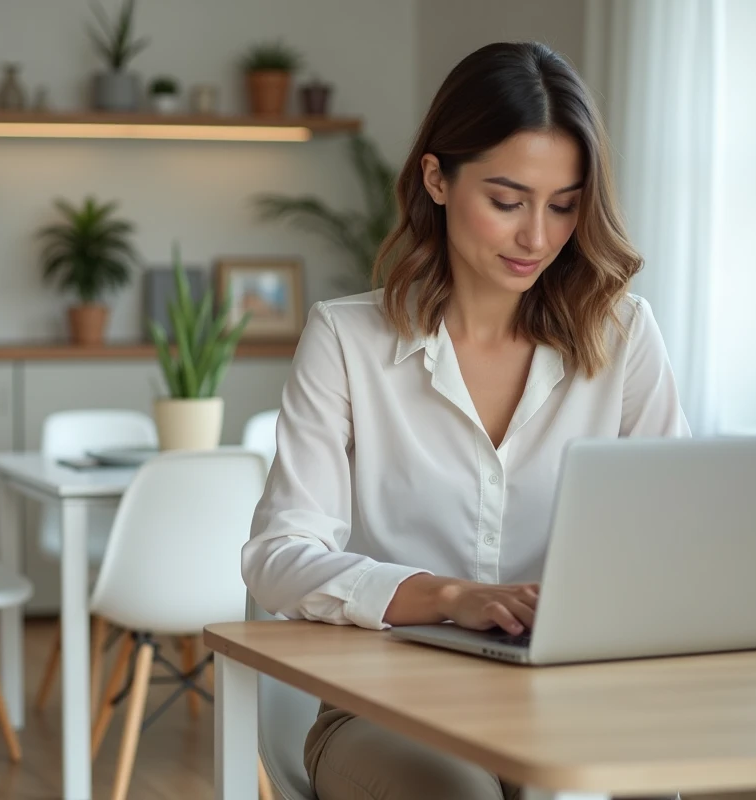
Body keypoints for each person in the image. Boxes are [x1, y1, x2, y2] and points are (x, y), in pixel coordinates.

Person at [240, 40, 691, 800]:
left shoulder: (624, 336)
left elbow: (672, 535)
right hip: (385, 711)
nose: (538, 238)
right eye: (508, 201)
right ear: (437, 179)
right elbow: (278, 558)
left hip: (564, 701)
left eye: (564, 204)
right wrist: (448, 596)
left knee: (578, 787)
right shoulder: (346, 340)